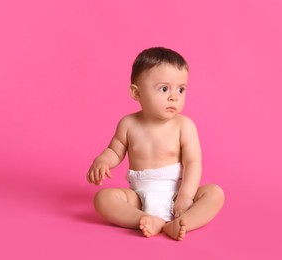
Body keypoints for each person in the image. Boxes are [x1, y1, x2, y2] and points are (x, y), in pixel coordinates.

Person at [86, 47, 224, 241]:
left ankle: (184, 222)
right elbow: (114, 151)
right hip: (139, 197)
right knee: (103, 199)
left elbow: (193, 163)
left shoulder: (184, 126)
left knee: (215, 193)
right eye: (164, 88)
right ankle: (145, 219)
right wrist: (102, 161)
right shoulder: (128, 124)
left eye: (181, 89)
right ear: (136, 93)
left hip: (177, 193)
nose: (174, 97)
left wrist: (185, 197)